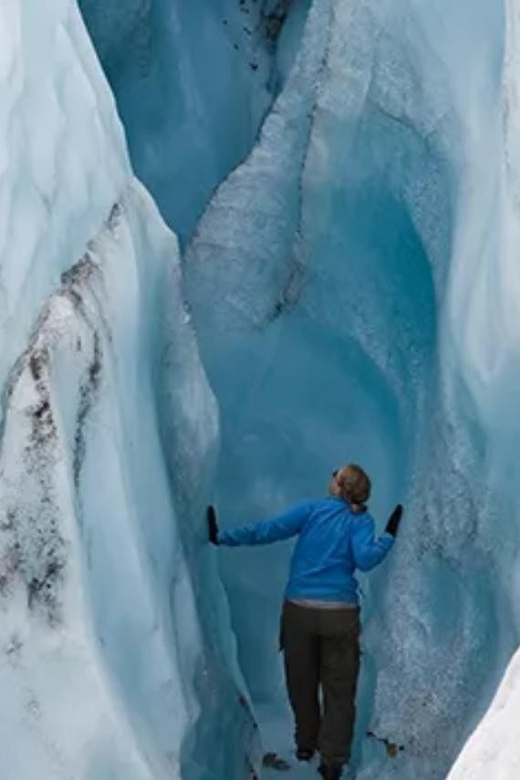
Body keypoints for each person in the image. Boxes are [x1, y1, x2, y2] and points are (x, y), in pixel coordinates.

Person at [207, 464, 402, 780]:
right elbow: (366, 560)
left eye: (334, 474)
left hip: (299, 611)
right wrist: (389, 536)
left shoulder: (312, 511)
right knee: (339, 689)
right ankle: (333, 761)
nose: (331, 476)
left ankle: (305, 744)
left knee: (302, 680)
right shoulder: (360, 521)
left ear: (338, 485)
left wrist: (222, 538)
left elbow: (267, 530)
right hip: (340, 614)